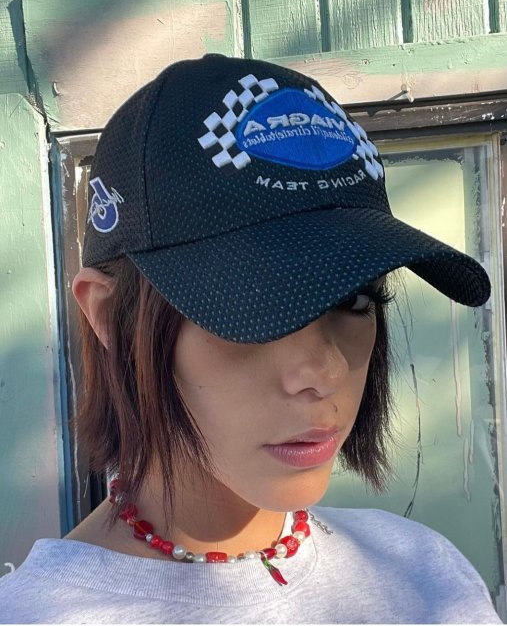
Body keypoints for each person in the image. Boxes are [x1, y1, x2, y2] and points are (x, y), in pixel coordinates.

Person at [0, 54, 501, 624]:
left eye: (356, 301)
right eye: (254, 305)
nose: (326, 373)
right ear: (110, 316)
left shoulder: (426, 575)